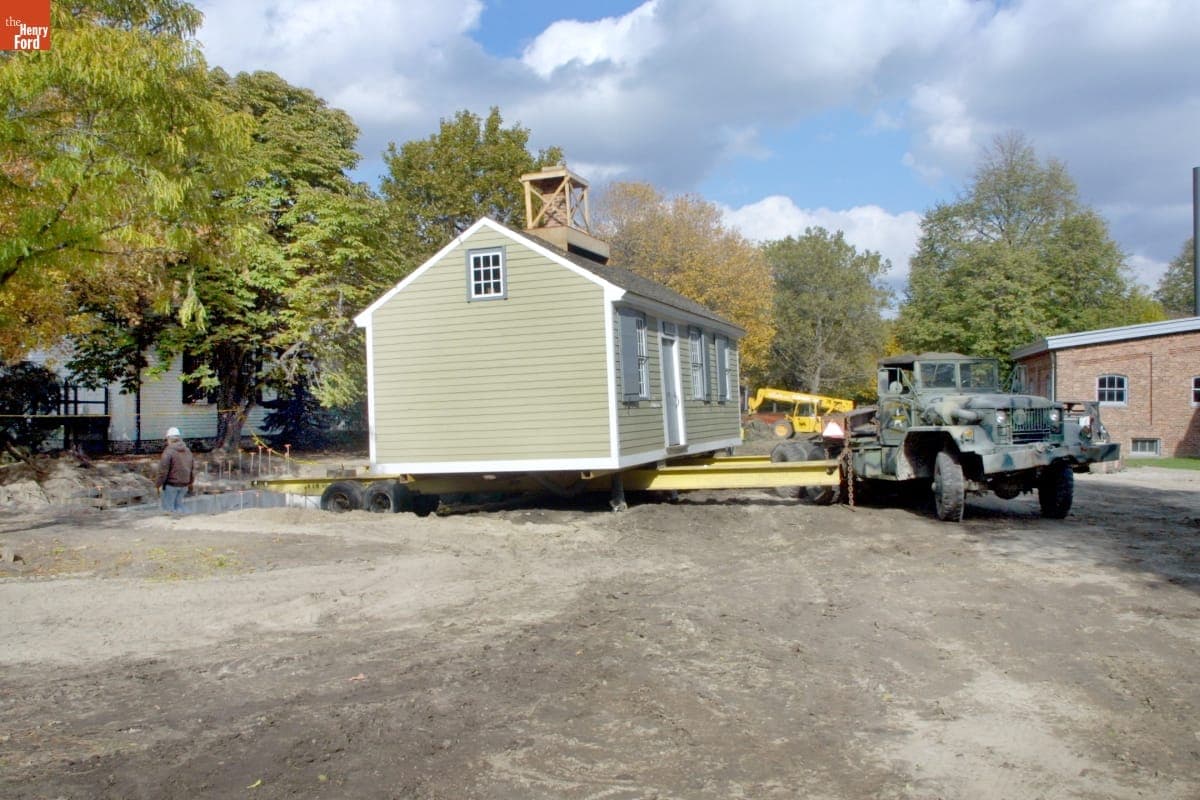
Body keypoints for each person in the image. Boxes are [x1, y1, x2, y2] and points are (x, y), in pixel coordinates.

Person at [156, 427, 195, 514]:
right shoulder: (187, 451)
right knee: (179, 506)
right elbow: (192, 468)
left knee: (169, 510)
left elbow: (163, 471)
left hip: (171, 485)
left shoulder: (168, 452)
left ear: (169, 439)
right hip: (184, 484)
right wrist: (190, 483)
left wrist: (158, 484)